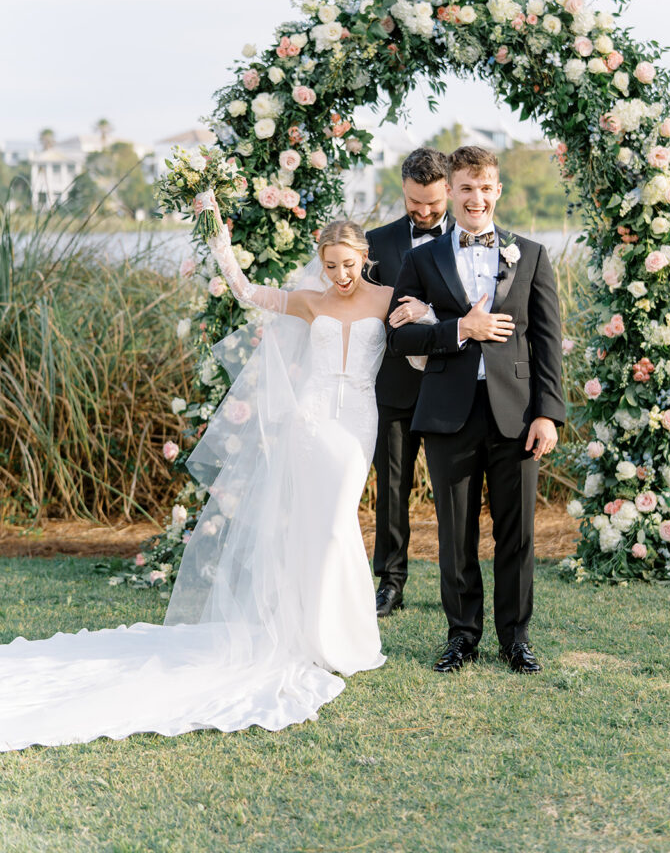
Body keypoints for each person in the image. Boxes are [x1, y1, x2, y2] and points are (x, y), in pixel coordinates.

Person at [0, 201, 425, 751]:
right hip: (311, 419)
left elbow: (422, 344)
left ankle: (343, 635)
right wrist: (220, 245)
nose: (341, 276)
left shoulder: (390, 299)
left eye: (349, 264)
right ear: (321, 264)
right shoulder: (308, 301)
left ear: (365, 259)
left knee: (338, 520)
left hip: (357, 421)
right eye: (331, 265)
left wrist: (424, 317)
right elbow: (250, 295)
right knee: (318, 525)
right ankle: (315, 635)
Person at [387, 146, 566, 675]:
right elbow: (399, 339)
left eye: (486, 188)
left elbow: (548, 342)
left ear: (498, 192)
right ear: (451, 190)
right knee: (455, 531)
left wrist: (547, 414)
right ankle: (462, 636)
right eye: (466, 187)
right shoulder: (422, 259)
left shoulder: (530, 254)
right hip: (448, 414)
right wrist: (459, 328)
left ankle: (516, 639)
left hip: (516, 415)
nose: (476, 198)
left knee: (518, 532)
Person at [365, 148, 453, 617]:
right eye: (414, 203)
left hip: (447, 387)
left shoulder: (469, 238)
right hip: (393, 388)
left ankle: (454, 584)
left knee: (452, 494)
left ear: (449, 192)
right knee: (392, 490)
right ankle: (390, 582)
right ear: (403, 190)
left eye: (433, 205)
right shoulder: (375, 243)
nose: (423, 212)